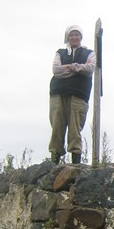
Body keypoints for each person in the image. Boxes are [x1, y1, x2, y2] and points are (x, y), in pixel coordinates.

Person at [49, 25, 96, 165]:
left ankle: (76, 161)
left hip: (79, 93)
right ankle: (55, 158)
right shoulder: (60, 53)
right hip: (58, 92)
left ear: (81, 37)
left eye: (77, 35)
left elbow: (90, 68)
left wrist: (70, 67)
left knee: (75, 127)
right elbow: (56, 70)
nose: (74, 37)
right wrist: (78, 69)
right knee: (57, 125)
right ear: (67, 37)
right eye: (71, 35)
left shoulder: (89, 53)